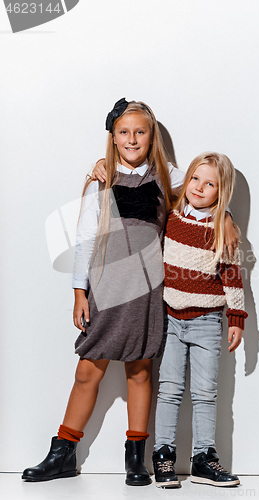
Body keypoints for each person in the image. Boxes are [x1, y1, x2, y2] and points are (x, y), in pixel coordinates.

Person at [22, 99, 239, 486]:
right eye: (124, 132)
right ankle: (63, 452)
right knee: (88, 370)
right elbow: (86, 240)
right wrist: (79, 292)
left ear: (151, 135)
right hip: (107, 290)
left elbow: (203, 192)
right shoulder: (102, 181)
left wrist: (227, 217)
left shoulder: (168, 176)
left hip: (148, 293)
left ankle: (136, 458)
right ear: (113, 137)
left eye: (140, 131)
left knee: (140, 372)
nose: (132, 138)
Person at [151, 152, 248, 488]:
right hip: (171, 319)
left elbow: (232, 276)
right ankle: (163, 456)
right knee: (169, 390)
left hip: (207, 321)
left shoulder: (224, 230)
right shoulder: (172, 215)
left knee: (205, 392)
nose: (200, 187)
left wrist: (236, 317)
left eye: (210, 184)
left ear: (221, 193)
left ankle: (204, 459)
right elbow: (159, 173)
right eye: (195, 179)